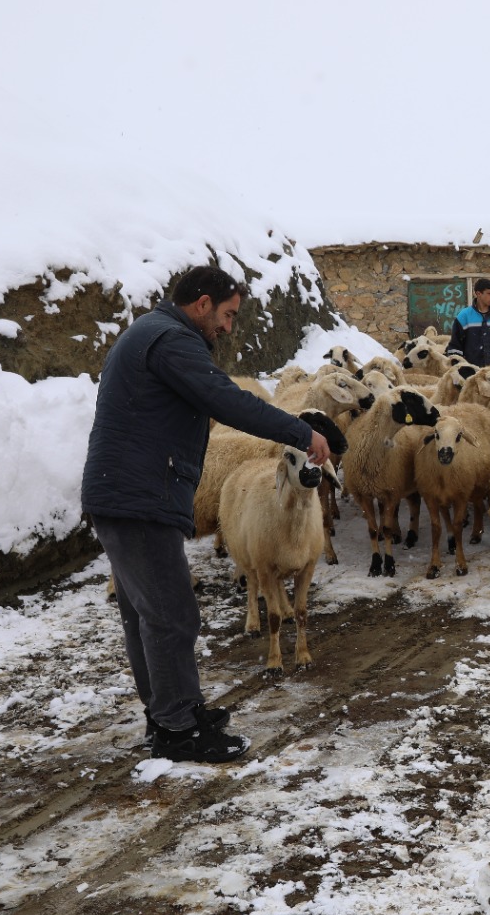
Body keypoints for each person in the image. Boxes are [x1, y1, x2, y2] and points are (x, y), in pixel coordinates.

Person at [81, 266, 332, 764]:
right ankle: (178, 729)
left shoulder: (151, 333)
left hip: (125, 492)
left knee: (146, 615)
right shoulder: (171, 341)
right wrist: (301, 433)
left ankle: (174, 713)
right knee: (172, 615)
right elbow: (225, 399)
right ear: (201, 304)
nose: (229, 327)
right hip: (139, 496)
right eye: (228, 315)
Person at [446, 277, 490, 365]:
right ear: (478, 293)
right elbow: (455, 347)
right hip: (472, 372)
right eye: (489, 293)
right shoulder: (464, 316)